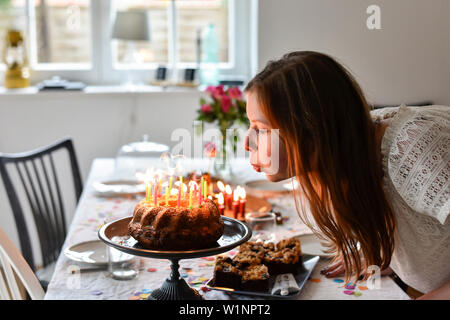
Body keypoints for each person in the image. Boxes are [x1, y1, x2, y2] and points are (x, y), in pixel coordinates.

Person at [243, 51, 450, 299]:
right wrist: (385, 256)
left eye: (261, 129)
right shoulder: (347, 155)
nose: (247, 142)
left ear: (310, 130)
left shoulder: (414, 148)